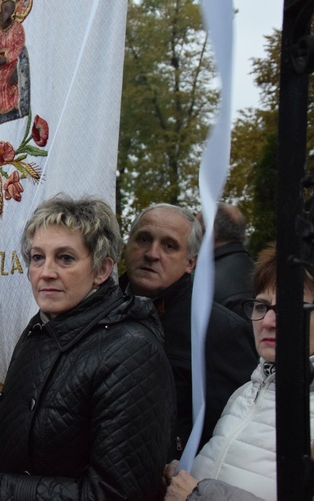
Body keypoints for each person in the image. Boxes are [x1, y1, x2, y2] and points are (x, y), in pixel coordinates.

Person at [0, 195, 175, 500]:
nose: (46, 272)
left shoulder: (133, 353)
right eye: (38, 257)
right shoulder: (39, 328)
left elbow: (116, 493)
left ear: (102, 270)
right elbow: (31, 419)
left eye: (65, 258)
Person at [164, 244, 314, 501]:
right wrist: (183, 476)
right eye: (261, 306)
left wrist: (197, 495)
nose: (267, 322)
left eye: (288, 307)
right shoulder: (244, 392)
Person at [121, 203, 258, 457]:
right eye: (143, 239)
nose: (152, 253)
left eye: (169, 246)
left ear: (191, 263)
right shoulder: (98, 312)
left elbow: (234, 431)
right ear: (127, 246)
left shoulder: (219, 330)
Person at [198, 203, 255, 320]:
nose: (192, 241)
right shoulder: (262, 274)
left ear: (210, 234)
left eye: (196, 233)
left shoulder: (200, 283)